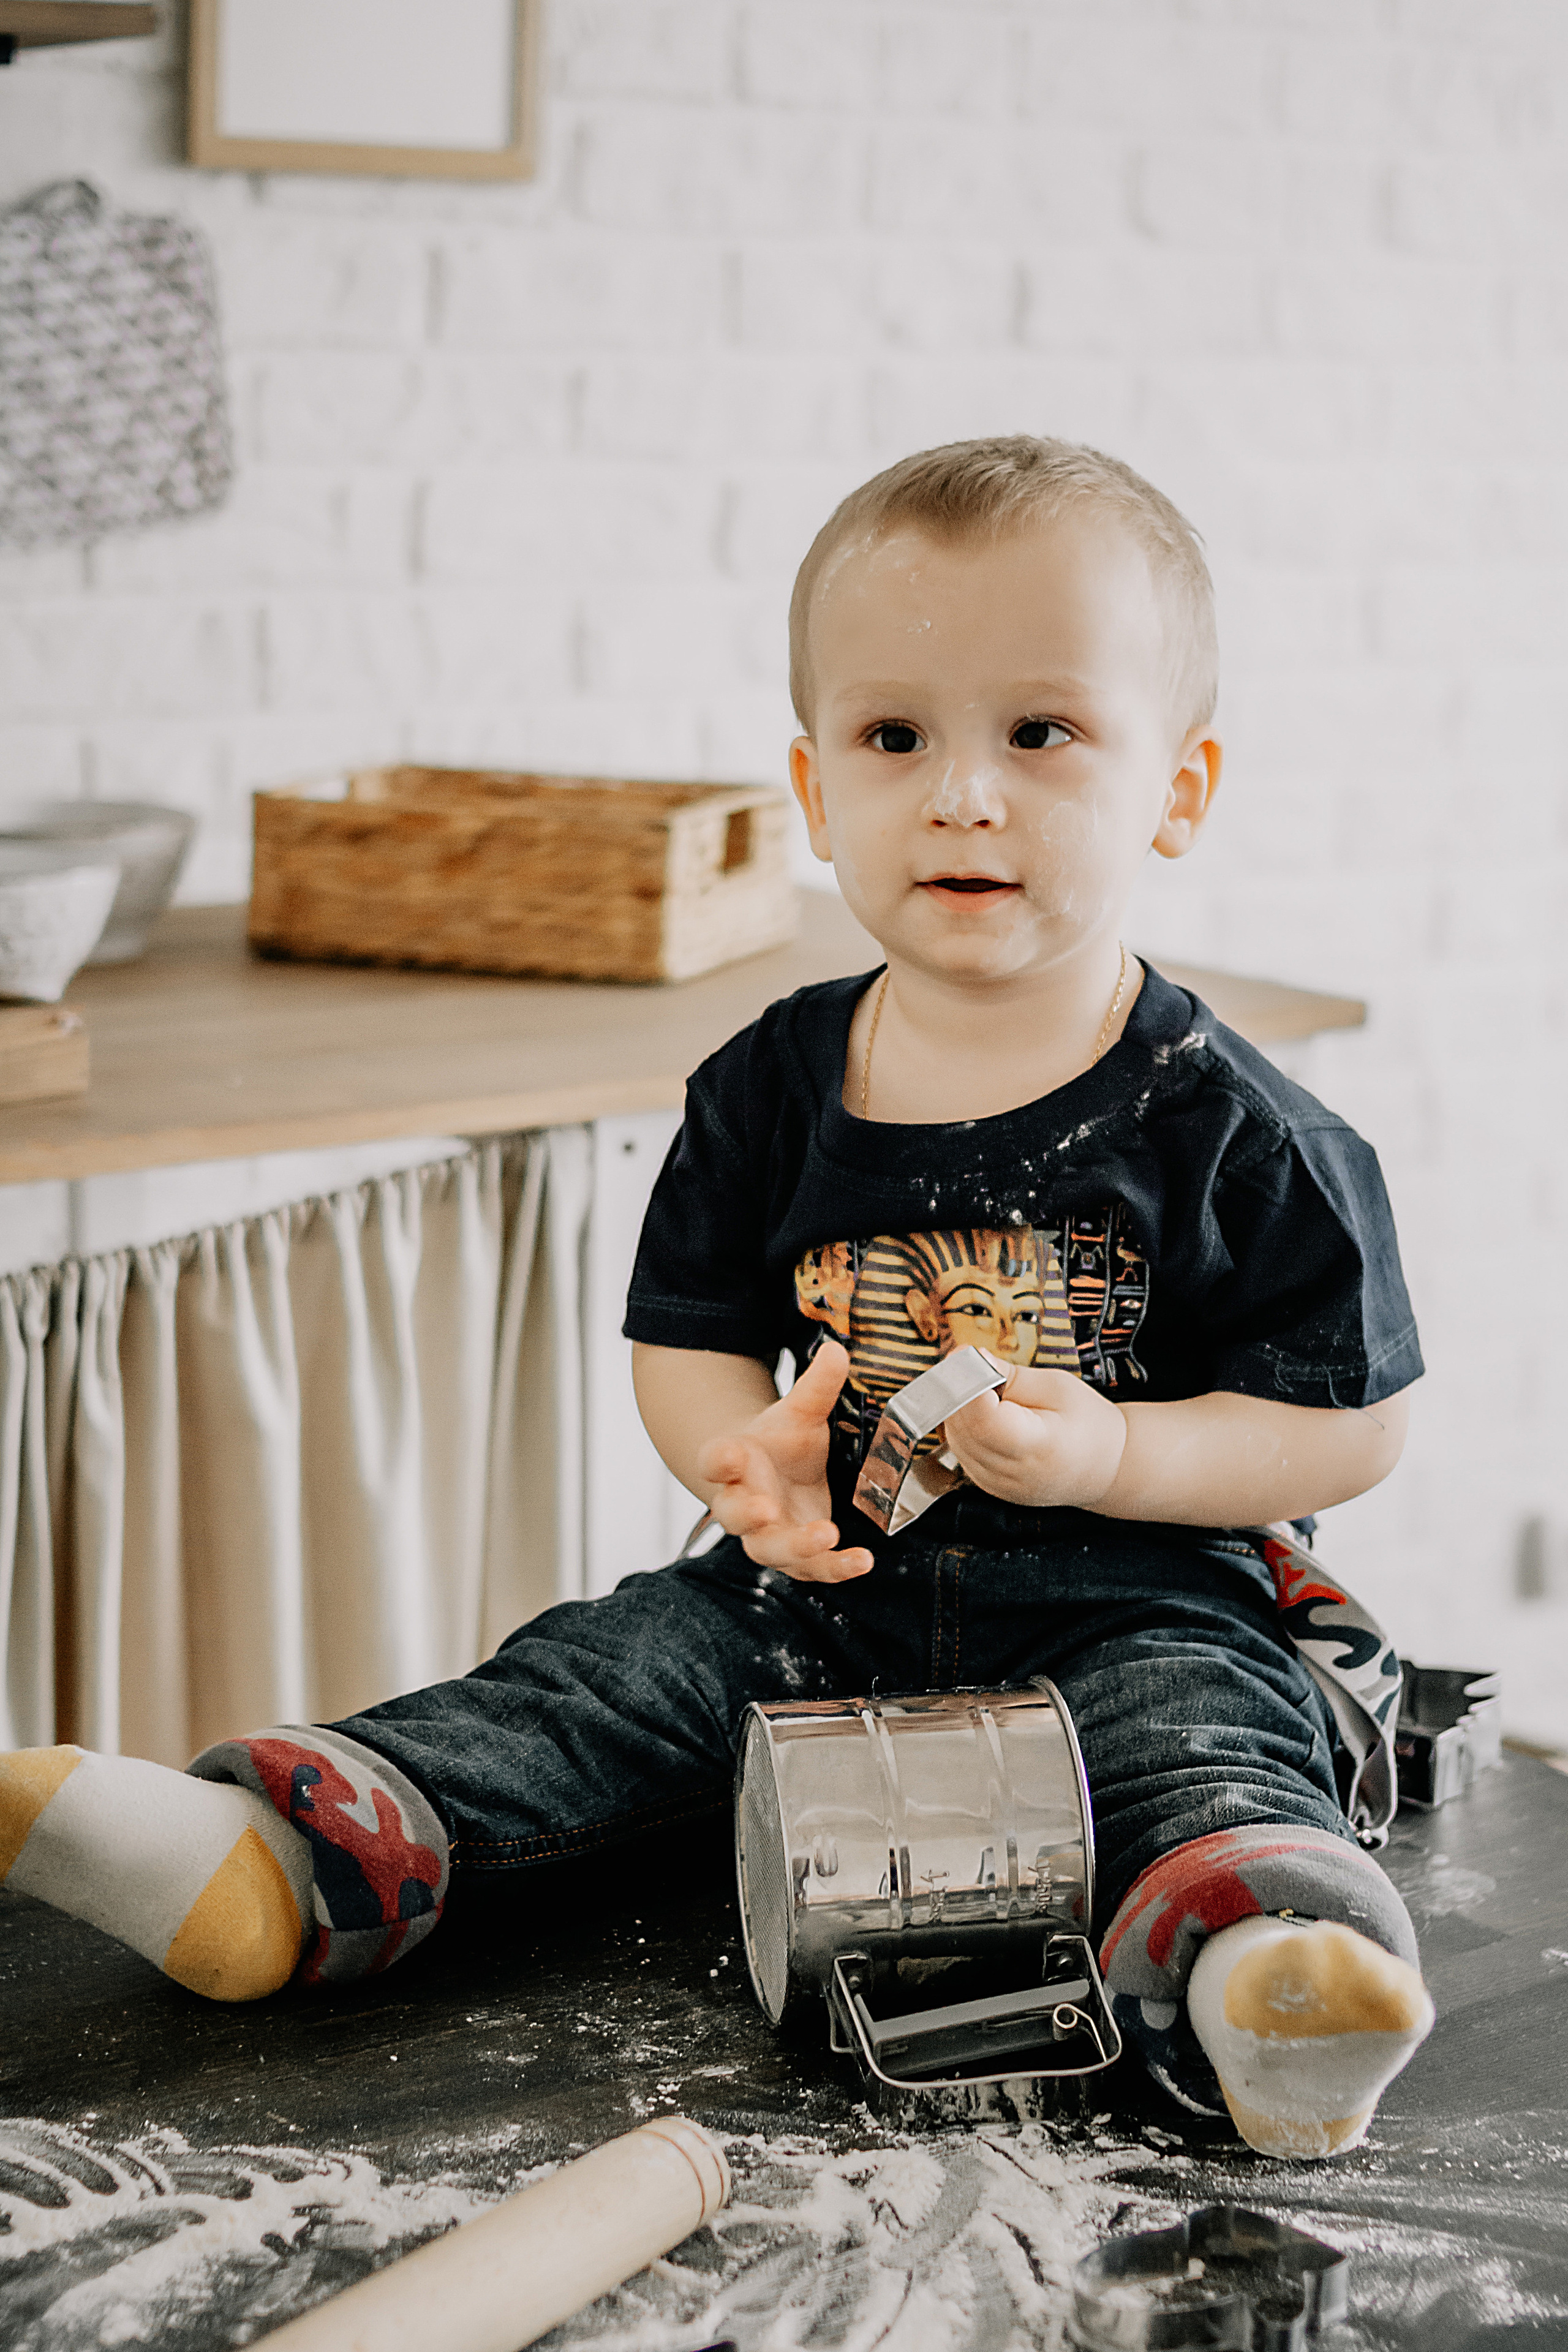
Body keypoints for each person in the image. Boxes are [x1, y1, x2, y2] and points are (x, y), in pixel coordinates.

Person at [0, 437, 1434, 2158]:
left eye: (1040, 734)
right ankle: (281, 1859)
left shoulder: (1241, 1131)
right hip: (817, 1592)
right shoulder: (769, 1084)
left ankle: (1271, 1975)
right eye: (896, 737)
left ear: (1178, 794)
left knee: (1196, 1742)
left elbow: (1351, 1426)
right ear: (817, 794)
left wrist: (1119, 1462)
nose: (962, 794)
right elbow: (685, 1332)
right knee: (599, 1677)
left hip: (1139, 1599)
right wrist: (734, 1462)